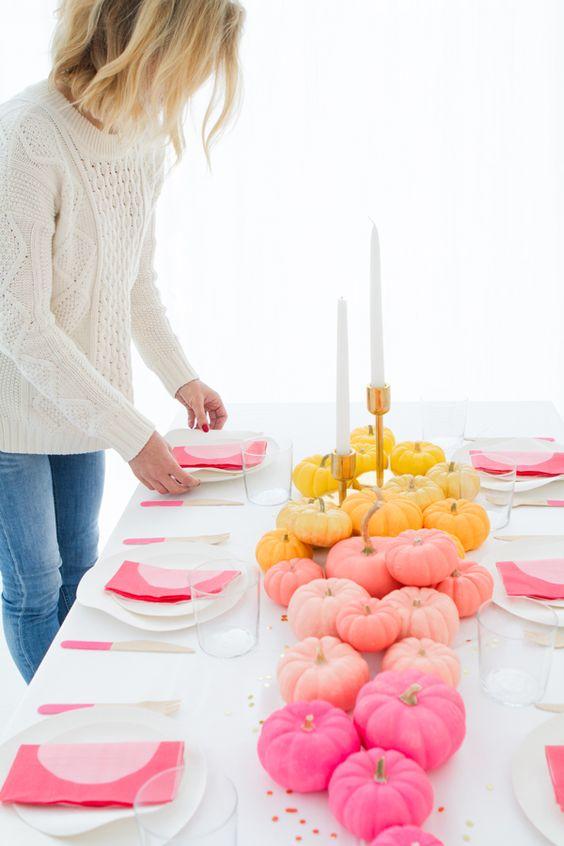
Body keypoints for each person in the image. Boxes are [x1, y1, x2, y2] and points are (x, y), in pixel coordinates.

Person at [0, 0, 244, 682]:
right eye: (189, 65)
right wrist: (131, 432)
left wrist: (180, 378)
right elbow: (17, 321)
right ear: (144, 45)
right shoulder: (26, 136)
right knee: (33, 584)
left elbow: (134, 281)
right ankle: (52, 735)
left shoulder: (143, 142)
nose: (190, 88)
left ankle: (86, 718)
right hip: (10, 409)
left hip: (85, 402)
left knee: (82, 570)